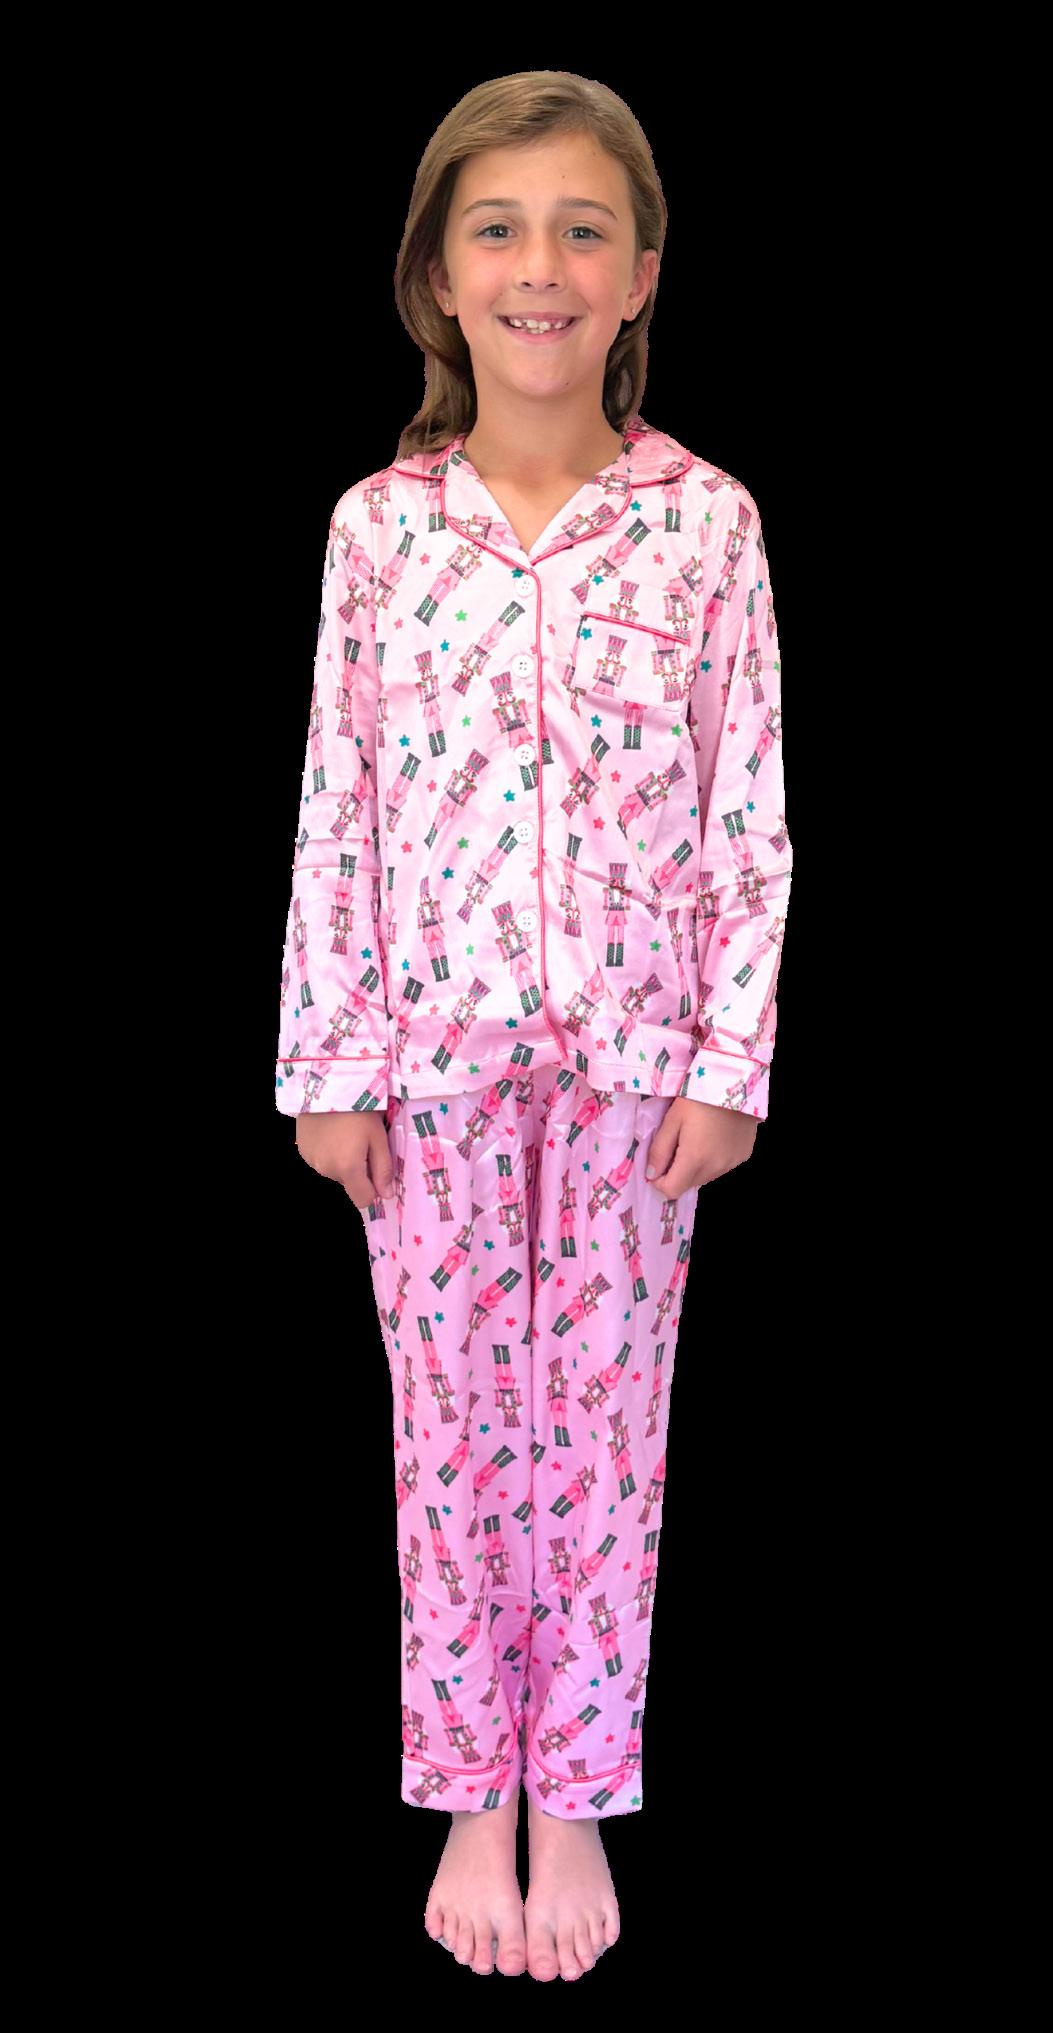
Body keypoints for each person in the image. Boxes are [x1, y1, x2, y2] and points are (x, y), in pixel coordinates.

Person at [274, 72, 792, 1983]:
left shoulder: (704, 526)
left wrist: (728, 1066)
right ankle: (460, 1786)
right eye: (496, 228)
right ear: (438, 274)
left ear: (640, 271)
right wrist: (327, 1067)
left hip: (637, 1078)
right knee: (447, 1445)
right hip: (427, 1070)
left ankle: (569, 1790)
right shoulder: (378, 533)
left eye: (583, 228)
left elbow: (750, 816)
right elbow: (337, 802)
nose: (540, 266)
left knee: (602, 1443)